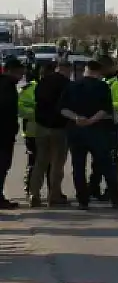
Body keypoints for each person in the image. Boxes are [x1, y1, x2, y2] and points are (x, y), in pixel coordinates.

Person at [60, 60, 118, 210]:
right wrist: (91, 120)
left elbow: (62, 109)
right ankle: (116, 198)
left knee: (78, 166)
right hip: (97, 130)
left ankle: (83, 201)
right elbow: (105, 109)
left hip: (76, 131)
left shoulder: (72, 86)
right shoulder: (102, 86)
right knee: (106, 165)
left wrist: (77, 118)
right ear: (98, 72)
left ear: (86, 70)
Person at [28, 59, 72, 208]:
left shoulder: (42, 82)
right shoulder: (67, 85)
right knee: (57, 164)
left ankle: (34, 194)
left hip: (41, 127)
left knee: (40, 162)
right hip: (59, 128)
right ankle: (54, 196)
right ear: (67, 70)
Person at [88, 57, 118, 202]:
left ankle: (112, 189)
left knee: (111, 158)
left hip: (111, 123)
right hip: (97, 122)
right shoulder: (101, 80)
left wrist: (102, 104)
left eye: (103, 67)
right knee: (97, 158)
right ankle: (93, 187)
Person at [0, 57, 26, 209]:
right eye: (19, 73)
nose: (21, 77)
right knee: (2, 165)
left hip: (5, 133)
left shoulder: (7, 85)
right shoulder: (6, 86)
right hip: (3, 135)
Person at [19, 61, 44, 200]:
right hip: (32, 132)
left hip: (47, 130)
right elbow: (20, 109)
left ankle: (53, 192)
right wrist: (37, 113)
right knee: (33, 162)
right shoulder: (27, 89)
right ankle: (29, 188)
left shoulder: (52, 88)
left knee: (50, 163)